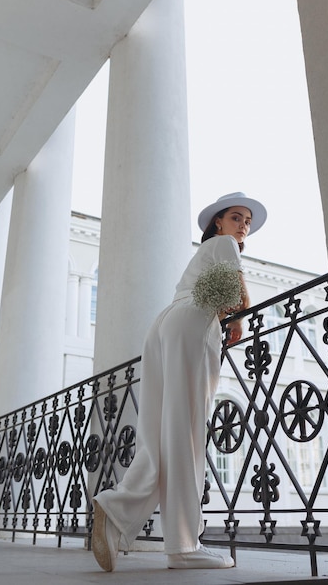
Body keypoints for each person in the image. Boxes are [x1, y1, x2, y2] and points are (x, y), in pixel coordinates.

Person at [92, 191, 267, 571]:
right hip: (192, 324)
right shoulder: (224, 245)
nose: (243, 226)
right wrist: (238, 318)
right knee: (187, 431)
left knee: (160, 430)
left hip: (165, 325)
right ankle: (185, 545)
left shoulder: (203, 255)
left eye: (247, 222)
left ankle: (118, 508)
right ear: (218, 223)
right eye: (237, 217)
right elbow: (240, 296)